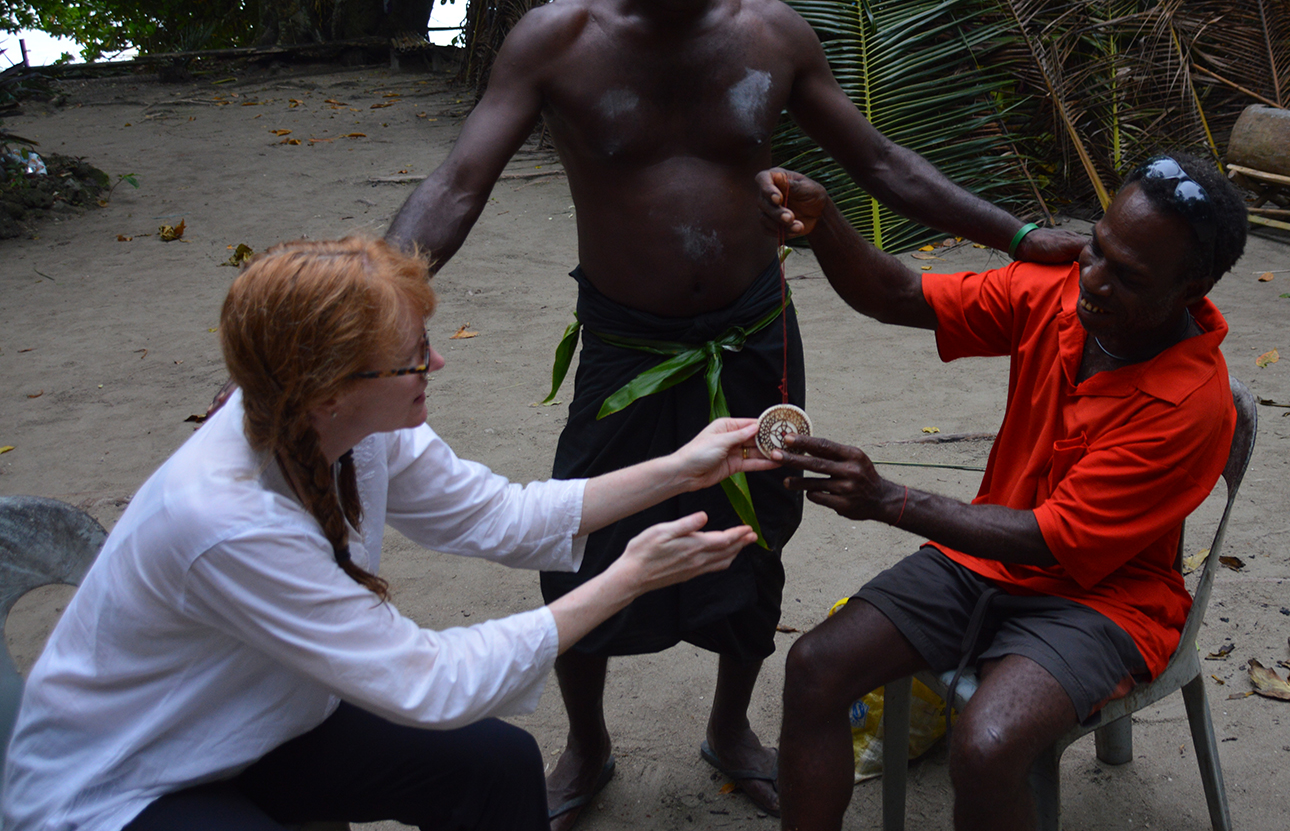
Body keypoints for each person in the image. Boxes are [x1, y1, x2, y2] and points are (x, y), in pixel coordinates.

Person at [383, 0, 1082, 823]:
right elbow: (456, 184)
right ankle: (588, 737)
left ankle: (729, 720)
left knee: (757, 530)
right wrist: (365, 301)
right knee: (584, 530)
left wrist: (1019, 236)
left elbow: (879, 162)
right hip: (627, 341)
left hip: (755, 332)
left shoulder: (771, 32)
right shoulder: (555, 39)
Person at [1, 236, 775, 831]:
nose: (436, 361)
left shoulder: (356, 430)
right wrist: (627, 579)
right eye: (413, 360)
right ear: (329, 389)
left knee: (495, 765)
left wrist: (681, 467)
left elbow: (501, 516)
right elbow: (429, 684)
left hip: (260, 721)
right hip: (129, 776)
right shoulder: (227, 519)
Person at [762, 153, 1249, 831]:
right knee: (815, 667)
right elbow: (899, 295)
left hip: (1103, 599)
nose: (1094, 284)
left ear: (1191, 287)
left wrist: (890, 500)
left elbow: (1052, 543)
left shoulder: (1190, 404)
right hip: (982, 553)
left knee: (988, 746)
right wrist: (825, 222)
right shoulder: (1063, 292)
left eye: (1128, 276)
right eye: (1096, 250)